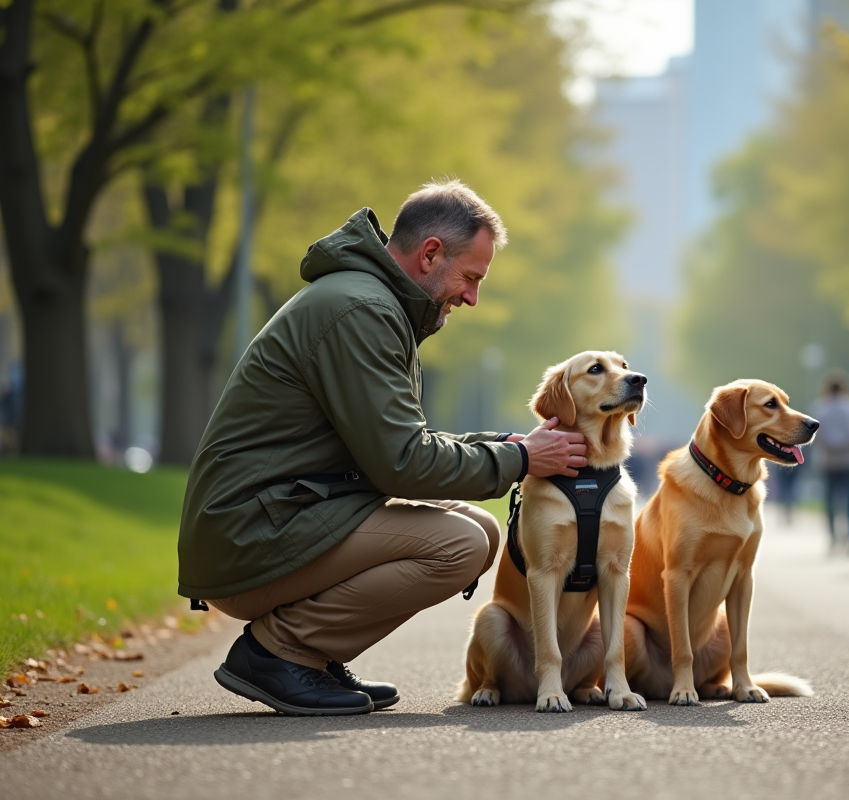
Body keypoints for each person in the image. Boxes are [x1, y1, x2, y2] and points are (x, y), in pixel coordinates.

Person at [177, 180, 588, 716]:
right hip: (253, 535)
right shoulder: (361, 311)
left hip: (276, 518)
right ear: (431, 254)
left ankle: (312, 659)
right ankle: (278, 653)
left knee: (480, 529)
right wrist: (522, 459)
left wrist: (504, 445)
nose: (471, 297)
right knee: (459, 544)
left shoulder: (370, 303)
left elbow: (394, 442)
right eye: (471, 278)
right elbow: (403, 463)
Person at [811, 369, 849, 555]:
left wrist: (830, 446)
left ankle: (832, 538)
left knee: (830, 502)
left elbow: (817, 435)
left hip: (829, 460)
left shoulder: (820, 408)